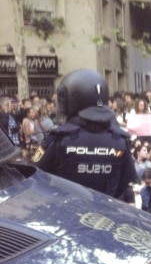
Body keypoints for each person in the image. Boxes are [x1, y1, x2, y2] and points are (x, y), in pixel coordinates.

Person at [34, 69, 137, 199]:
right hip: (107, 213)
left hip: (65, 212)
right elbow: (125, 183)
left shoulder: (59, 138)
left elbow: (36, 177)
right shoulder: (120, 139)